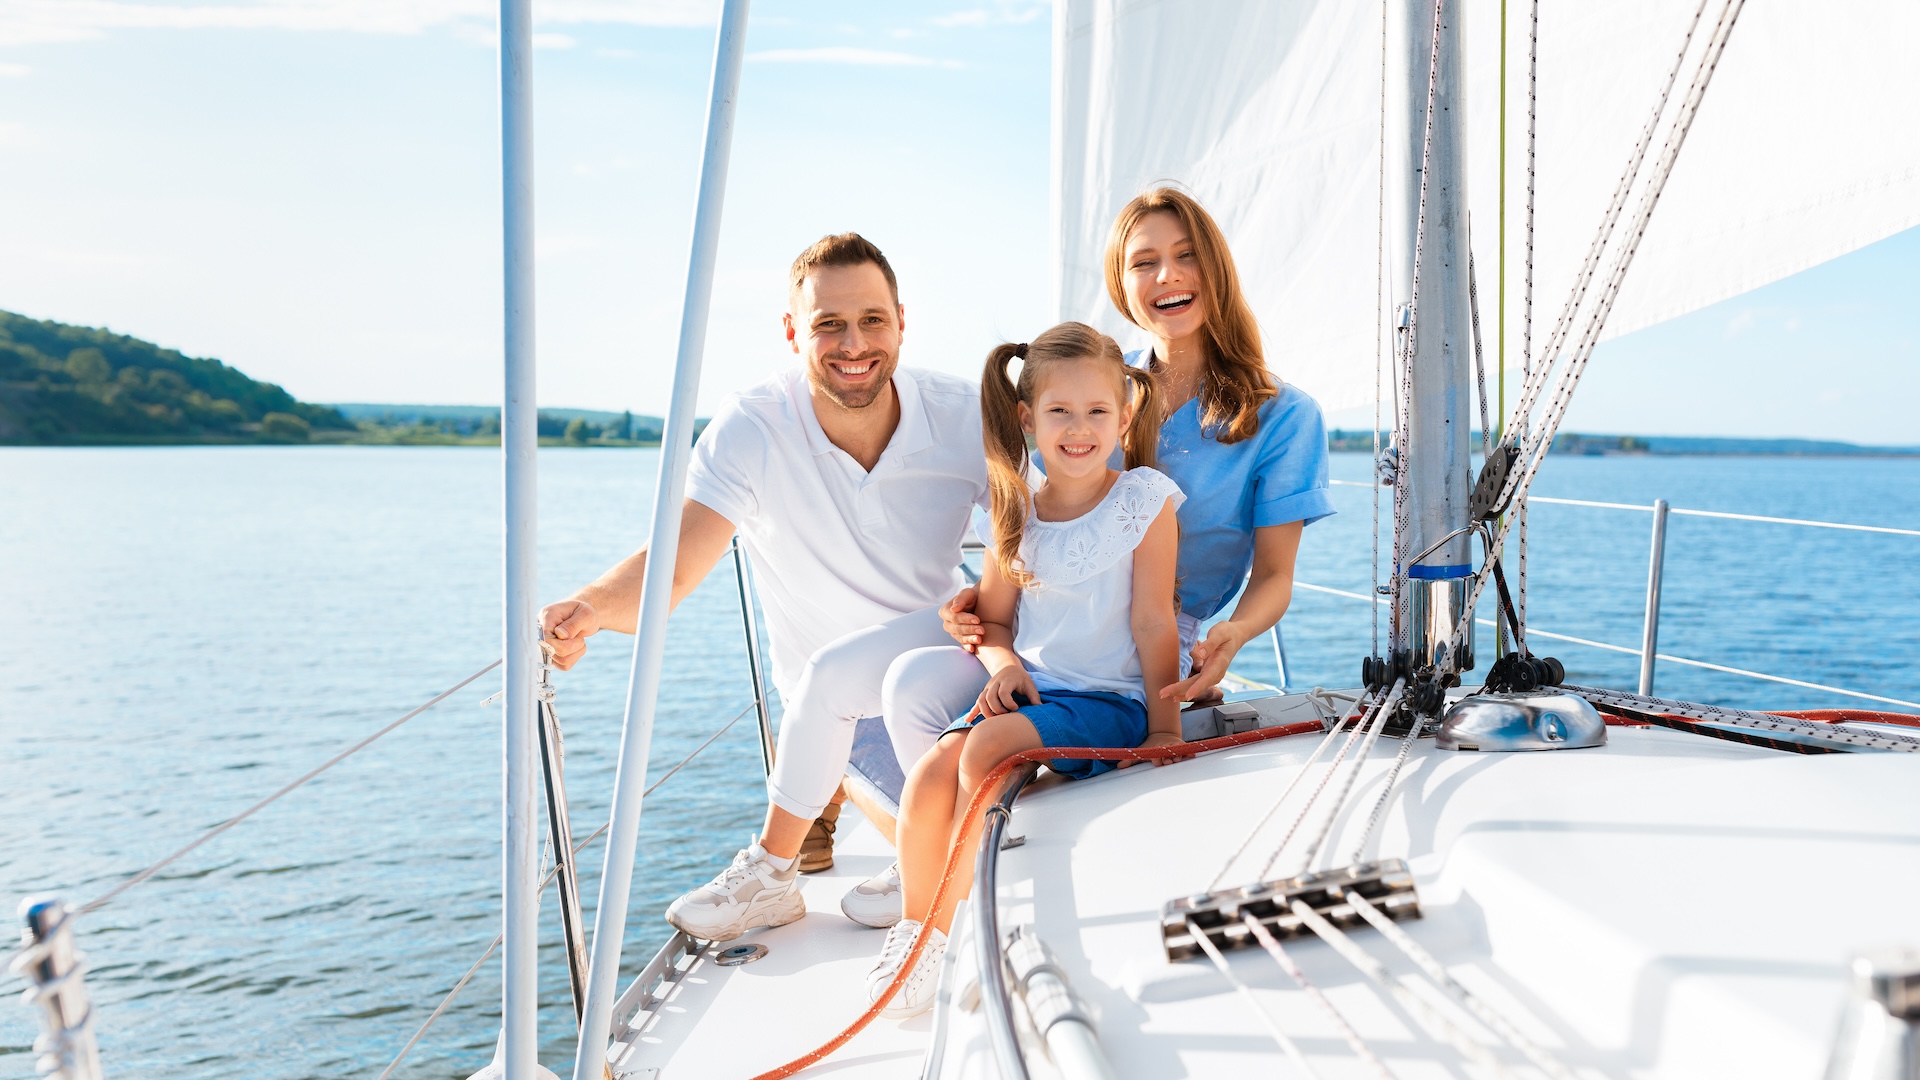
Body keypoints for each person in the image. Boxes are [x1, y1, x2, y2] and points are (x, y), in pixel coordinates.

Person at [862, 188, 1336, 926]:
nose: (1166, 276)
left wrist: (1229, 638)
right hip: (1050, 631)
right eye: (1144, 261)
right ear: (1122, 281)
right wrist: (987, 609)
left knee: (977, 736)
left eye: (1185, 257)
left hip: (1147, 646)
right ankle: (937, 878)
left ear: (1215, 267)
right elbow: (1045, 521)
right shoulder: (1094, 386)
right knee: (909, 683)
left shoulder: (1282, 415)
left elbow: (1274, 577)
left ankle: (969, 869)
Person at [538, 233, 988, 942]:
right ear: (791, 332)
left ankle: (883, 857)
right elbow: (677, 563)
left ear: (902, 321)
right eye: (828, 324)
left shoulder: (965, 413)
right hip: (837, 721)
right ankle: (804, 867)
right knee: (919, 808)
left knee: (991, 819)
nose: (854, 344)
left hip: (948, 671)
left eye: (872, 320)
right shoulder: (753, 427)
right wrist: (590, 608)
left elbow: (1047, 528)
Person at [865, 322, 1185, 1018]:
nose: (1079, 429)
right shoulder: (1015, 513)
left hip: (1109, 701)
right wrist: (1002, 662)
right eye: (1059, 412)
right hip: (1035, 694)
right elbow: (997, 621)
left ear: (1125, 415)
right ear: (1026, 417)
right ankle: (921, 932)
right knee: (927, 775)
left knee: (982, 748)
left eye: (1097, 411)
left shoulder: (1144, 502)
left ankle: (968, 928)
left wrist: (1165, 732)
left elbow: (1154, 623)